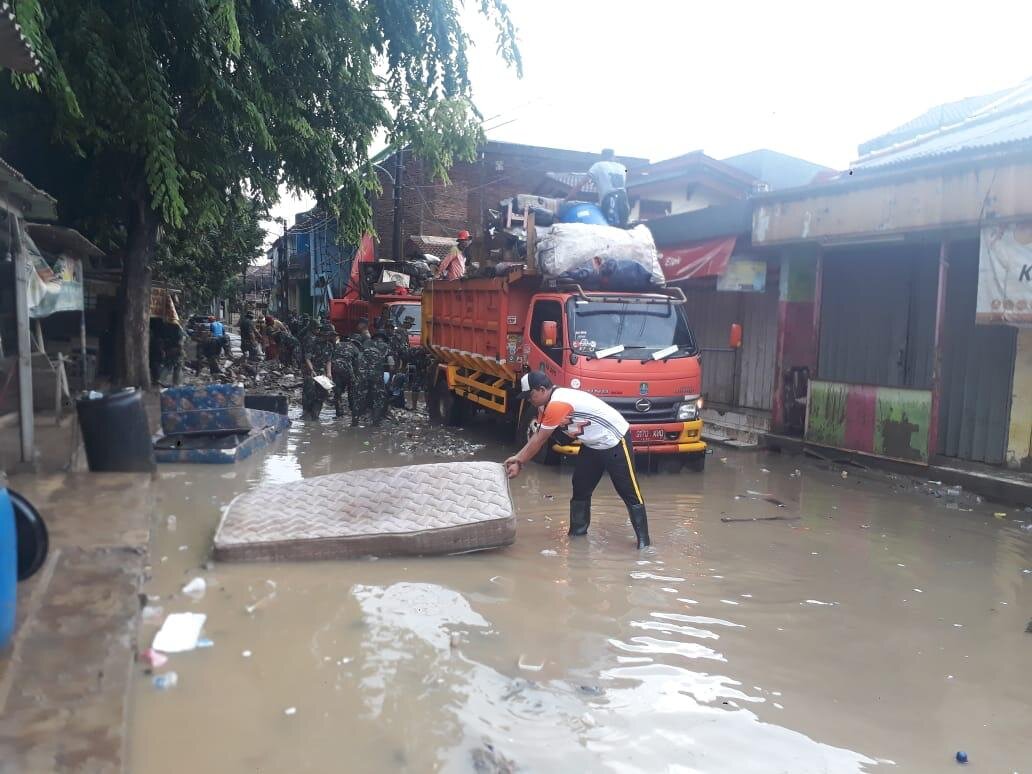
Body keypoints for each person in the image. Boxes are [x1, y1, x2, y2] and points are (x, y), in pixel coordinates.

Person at [505, 371, 651, 549]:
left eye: (530, 395)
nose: (529, 400)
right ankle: (577, 537)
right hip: (591, 444)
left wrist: (519, 460)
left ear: (542, 390)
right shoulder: (544, 406)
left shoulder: (558, 403)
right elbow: (539, 435)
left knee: (629, 492)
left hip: (614, 441)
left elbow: (539, 439)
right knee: (580, 488)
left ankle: (644, 544)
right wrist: (518, 459)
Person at [568, 149, 629, 227]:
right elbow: (626, 172)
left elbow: (581, 183)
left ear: (602, 156)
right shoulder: (623, 167)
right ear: (613, 156)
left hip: (609, 198)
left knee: (609, 227)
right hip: (623, 198)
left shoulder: (597, 165)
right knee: (623, 226)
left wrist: (568, 197)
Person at [301, 321, 336, 419]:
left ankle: (315, 416)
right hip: (310, 371)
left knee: (322, 394)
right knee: (309, 393)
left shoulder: (329, 346)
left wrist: (329, 373)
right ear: (324, 334)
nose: (331, 337)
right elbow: (307, 358)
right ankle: (306, 414)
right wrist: (311, 370)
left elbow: (328, 360)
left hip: (322, 373)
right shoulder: (312, 342)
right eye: (329, 335)